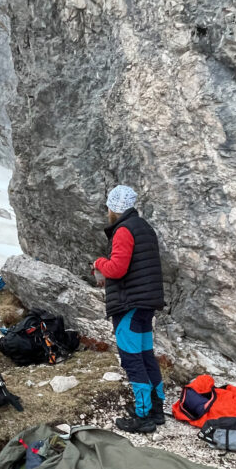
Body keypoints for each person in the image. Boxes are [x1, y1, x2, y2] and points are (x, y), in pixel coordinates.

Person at [92, 185, 166, 433]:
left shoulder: (124, 230)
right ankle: (157, 409)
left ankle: (143, 416)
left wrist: (98, 263)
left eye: (109, 206)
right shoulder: (144, 227)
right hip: (145, 304)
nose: (108, 210)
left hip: (129, 305)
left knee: (132, 360)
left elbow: (117, 269)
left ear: (114, 207)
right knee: (146, 356)